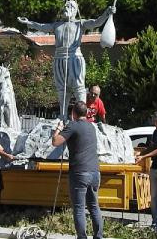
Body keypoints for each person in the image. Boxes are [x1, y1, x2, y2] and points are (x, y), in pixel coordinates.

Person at [18, 1, 115, 120]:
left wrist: (107, 13)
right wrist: (28, 22)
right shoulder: (57, 25)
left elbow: (97, 22)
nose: (66, 8)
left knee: (79, 87)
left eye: (70, 6)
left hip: (75, 58)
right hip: (59, 59)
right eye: (65, 6)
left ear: (75, 10)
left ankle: (82, 116)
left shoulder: (81, 23)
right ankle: (63, 116)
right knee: (61, 89)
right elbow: (41, 27)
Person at [52, 101, 103, 239]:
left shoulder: (72, 126)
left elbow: (55, 142)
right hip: (94, 171)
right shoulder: (91, 127)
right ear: (86, 113)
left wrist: (58, 129)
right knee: (94, 206)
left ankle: (82, 237)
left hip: (80, 172)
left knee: (79, 209)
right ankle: (99, 236)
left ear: (73, 113)